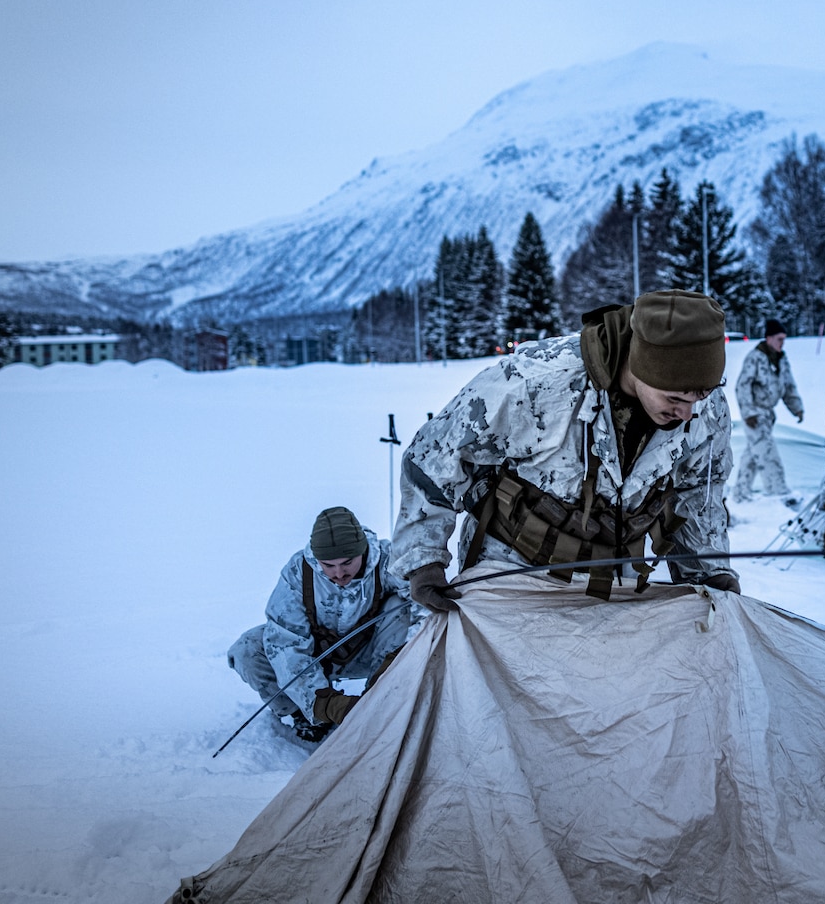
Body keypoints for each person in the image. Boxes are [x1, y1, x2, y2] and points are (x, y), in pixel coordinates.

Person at [392, 289, 740, 607]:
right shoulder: (534, 383)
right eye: (675, 398)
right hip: (511, 578)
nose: (689, 412)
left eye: (702, 395)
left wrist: (707, 572)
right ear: (639, 368)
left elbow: (698, 493)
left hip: (614, 587)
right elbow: (435, 458)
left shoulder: (704, 407)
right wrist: (424, 560)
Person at [228, 506, 418, 742]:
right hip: (314, 653)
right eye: (329, 565)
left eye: (347, 562)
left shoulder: (389, 559)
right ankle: (305, 713)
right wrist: (323, 703)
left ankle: (382, 699)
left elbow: (425, 608)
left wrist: (393, 664)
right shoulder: (298, 572)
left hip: (370, 652)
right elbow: (286, 640)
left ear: (363, 551)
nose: (339, 573)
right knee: (247, 649)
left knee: (402, 604)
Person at [733, 318, 804, 505]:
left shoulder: (782, 359)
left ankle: (740, 494)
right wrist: (748, 413)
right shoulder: (754, 358)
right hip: (755, 415)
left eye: (784, 339)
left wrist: (797, 409)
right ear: (769, 338)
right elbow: (742, 386)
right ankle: (779, 493)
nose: (783, 343)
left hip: (768, 415)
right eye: (780, 339)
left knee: (753, 455)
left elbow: (788, 386)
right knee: (767, 454)